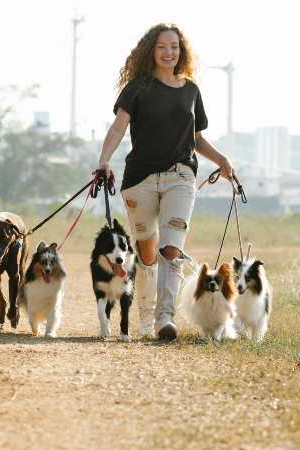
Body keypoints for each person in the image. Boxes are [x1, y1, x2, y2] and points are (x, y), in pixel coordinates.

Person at [96, 23, 235, 341]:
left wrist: (222, 161)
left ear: (181, 51)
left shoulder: (191, 91)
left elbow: (196, 138)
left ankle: (165, 319)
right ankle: (145, 319)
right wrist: (104, 160)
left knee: (171, 249)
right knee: (146, 254)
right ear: (152, 50)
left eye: (174, 46)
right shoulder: (138, 88)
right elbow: (118, 128)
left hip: (181, 176)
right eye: (162, 46)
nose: (168, 52)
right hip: (140, 179)